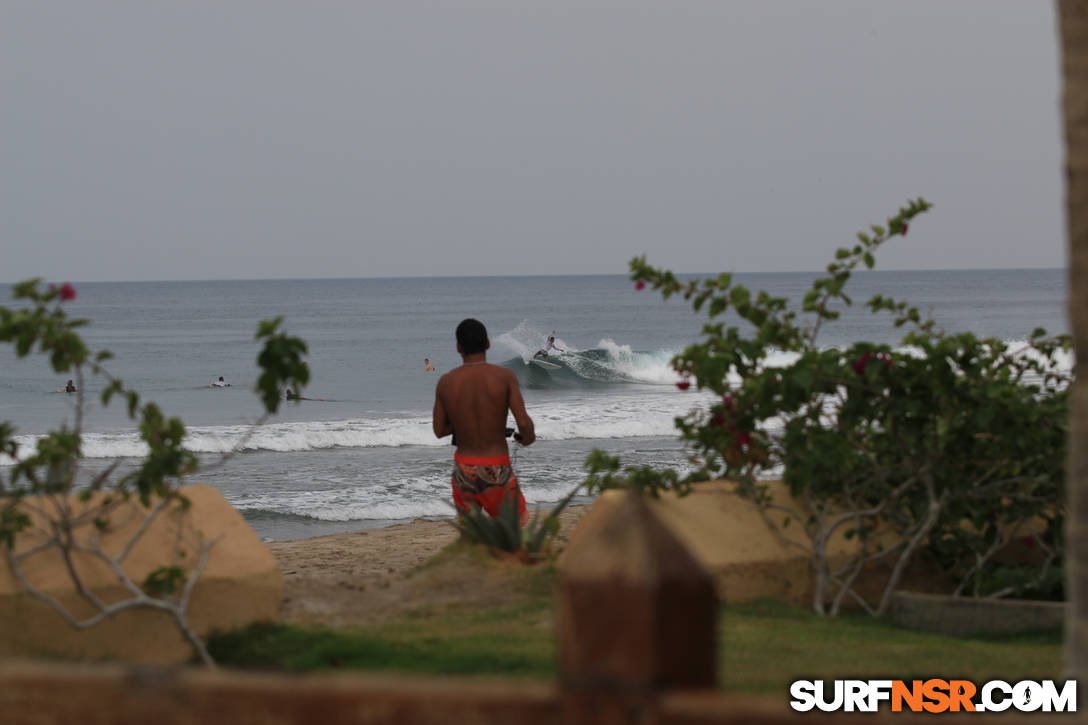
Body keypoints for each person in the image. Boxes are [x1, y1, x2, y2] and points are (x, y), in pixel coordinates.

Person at [433, 318, 536, 526]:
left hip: (463, 470)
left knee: (473, 536)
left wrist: (464, 422)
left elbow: (439, 430)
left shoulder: (446, 382)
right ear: (488, 343)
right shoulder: (504, 377)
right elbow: (523, 424)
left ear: (458, 347)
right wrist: (527, 438)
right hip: (496, 468)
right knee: (517, 531)